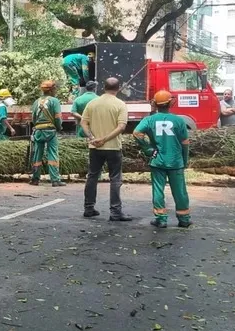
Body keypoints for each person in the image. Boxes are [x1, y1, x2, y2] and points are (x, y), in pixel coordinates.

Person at [133, 90, 192, 229]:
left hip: (157, 160)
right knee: (180, 191)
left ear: (155, 104)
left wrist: (147, 149)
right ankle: (184, 219)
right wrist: (185, 160)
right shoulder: (179, 120)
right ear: (170, 103)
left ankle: (161, 219)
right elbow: (185, 143)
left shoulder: (149, 120)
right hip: (176, 161)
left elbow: (136, 133)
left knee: (158, 190)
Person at [80, 77, 132, 221]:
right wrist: (105, 139)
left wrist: (92, 137)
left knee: (92, 176)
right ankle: (115, 212)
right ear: (118, 88)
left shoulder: (92, 103)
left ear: (104, 87)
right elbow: (121, 127)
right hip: (113, 147)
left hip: (94, 147)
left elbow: (83, 123)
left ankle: (89, 208)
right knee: (115, 178)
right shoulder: (120, 104)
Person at [30, 81, 65, 187]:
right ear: (51, 90)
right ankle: (55, 180)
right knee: (53, 154)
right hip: (50, 131)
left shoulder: (37, 101)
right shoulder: (54, 101)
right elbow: (58, 117)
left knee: (37, 155)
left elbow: (33, 118)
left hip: (38, 131)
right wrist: (59, 128)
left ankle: (35, 179)